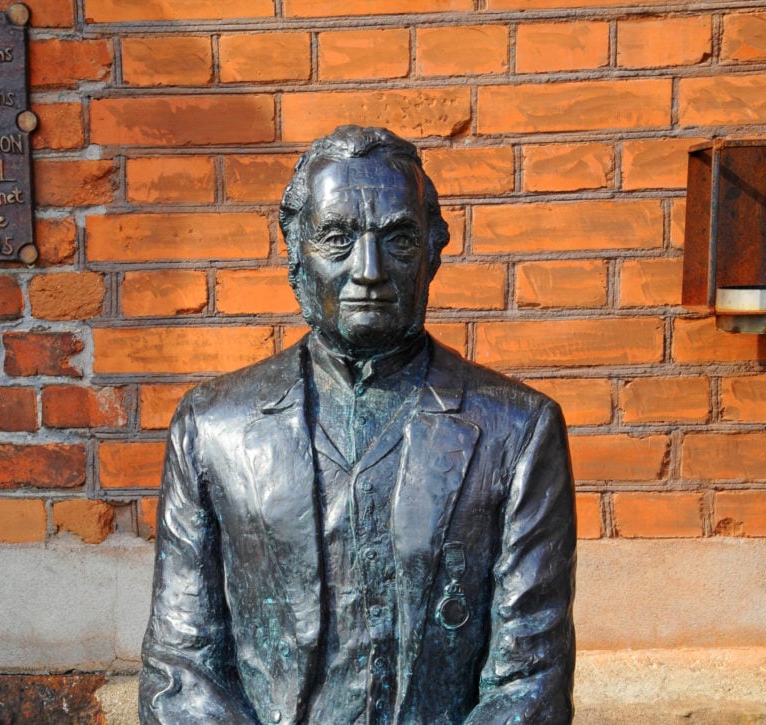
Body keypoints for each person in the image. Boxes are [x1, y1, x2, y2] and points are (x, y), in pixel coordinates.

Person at [139, 125, 576, 724]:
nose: (368, 270)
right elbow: (181, 671)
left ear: (433, 250)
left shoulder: (517, 430)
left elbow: (530, 680)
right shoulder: (213, 427)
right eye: (337, 238)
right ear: (294, 249)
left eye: (397, 239)